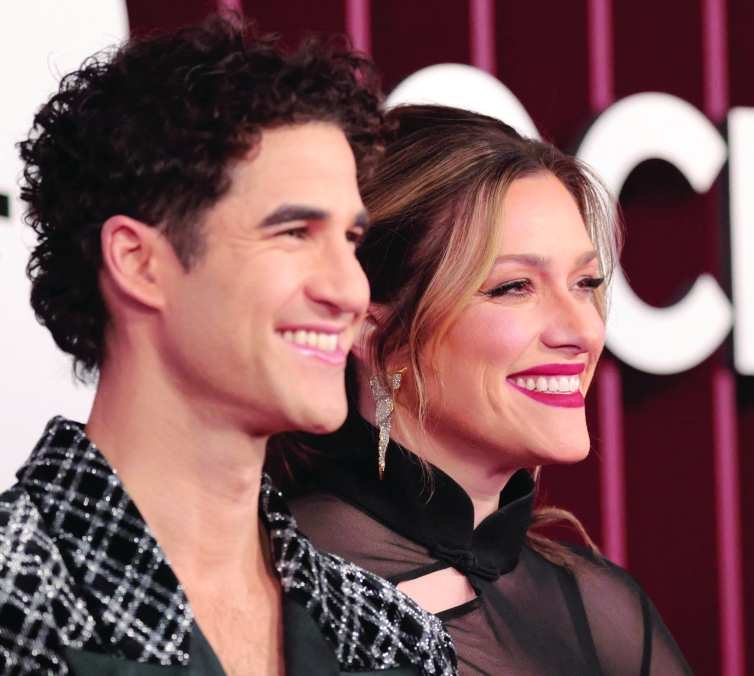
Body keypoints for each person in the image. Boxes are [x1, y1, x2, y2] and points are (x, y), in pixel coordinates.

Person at [0, 18, 457, 676]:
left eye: (351, 242)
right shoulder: (18, 602)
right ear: (138, 262)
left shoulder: (391, 634)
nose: (348, 290)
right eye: (295, 232)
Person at [279, 105, 693, 675]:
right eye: (515, 286)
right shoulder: (272, 586)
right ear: (371, 330)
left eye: (586, 283)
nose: (582, 331)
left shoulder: (603, 608)